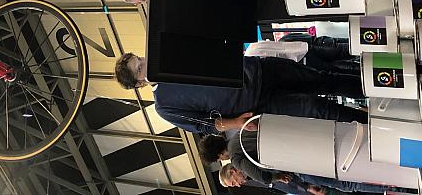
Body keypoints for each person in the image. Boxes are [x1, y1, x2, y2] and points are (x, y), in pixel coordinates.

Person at [114, 53, 367, 136]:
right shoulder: (164, 106)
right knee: (318, 109)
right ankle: (372, 123)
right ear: (139, 83)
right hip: (257, 104)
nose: (145, 62)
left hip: (259, 69)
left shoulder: (173, 55)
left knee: (322, 79)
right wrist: (236, 123)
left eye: (140, 59)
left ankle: (375, 86)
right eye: (140, 68)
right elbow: (202, 124)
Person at [203, 135, 403, 194]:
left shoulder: (237, 156)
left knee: (347, 184)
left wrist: (275, 177)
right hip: (306, 145)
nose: (238, 185)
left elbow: (263, 176)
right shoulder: (243, 133)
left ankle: (395, 186)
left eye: (233, 182)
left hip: (300, 167)